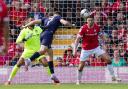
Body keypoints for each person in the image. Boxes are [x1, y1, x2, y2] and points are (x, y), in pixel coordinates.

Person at [21, 11, 74, 83]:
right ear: (57, 15)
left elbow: (34, 22)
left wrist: (25, 26)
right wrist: (72, 25)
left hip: (42, 34)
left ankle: (52, 74)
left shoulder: (46, 18)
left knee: (50, 53)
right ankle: (29, 60)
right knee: (43, 50)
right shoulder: (57, 17)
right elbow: (65, 23)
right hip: (48, 34)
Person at [73, 15, 121, 85]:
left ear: (93, 21)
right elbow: (77, 40)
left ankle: (113, 77)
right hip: (85, 49)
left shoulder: (97, 27)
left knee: (108, 60)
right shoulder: (83, 28)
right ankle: (78, 80)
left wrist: (108, 40)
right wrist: (74, 50)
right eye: (88, 20)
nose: (89, 22)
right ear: (86, 21)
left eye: (91, 20)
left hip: (96, 48)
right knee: (81, 66)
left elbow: (101, 36)